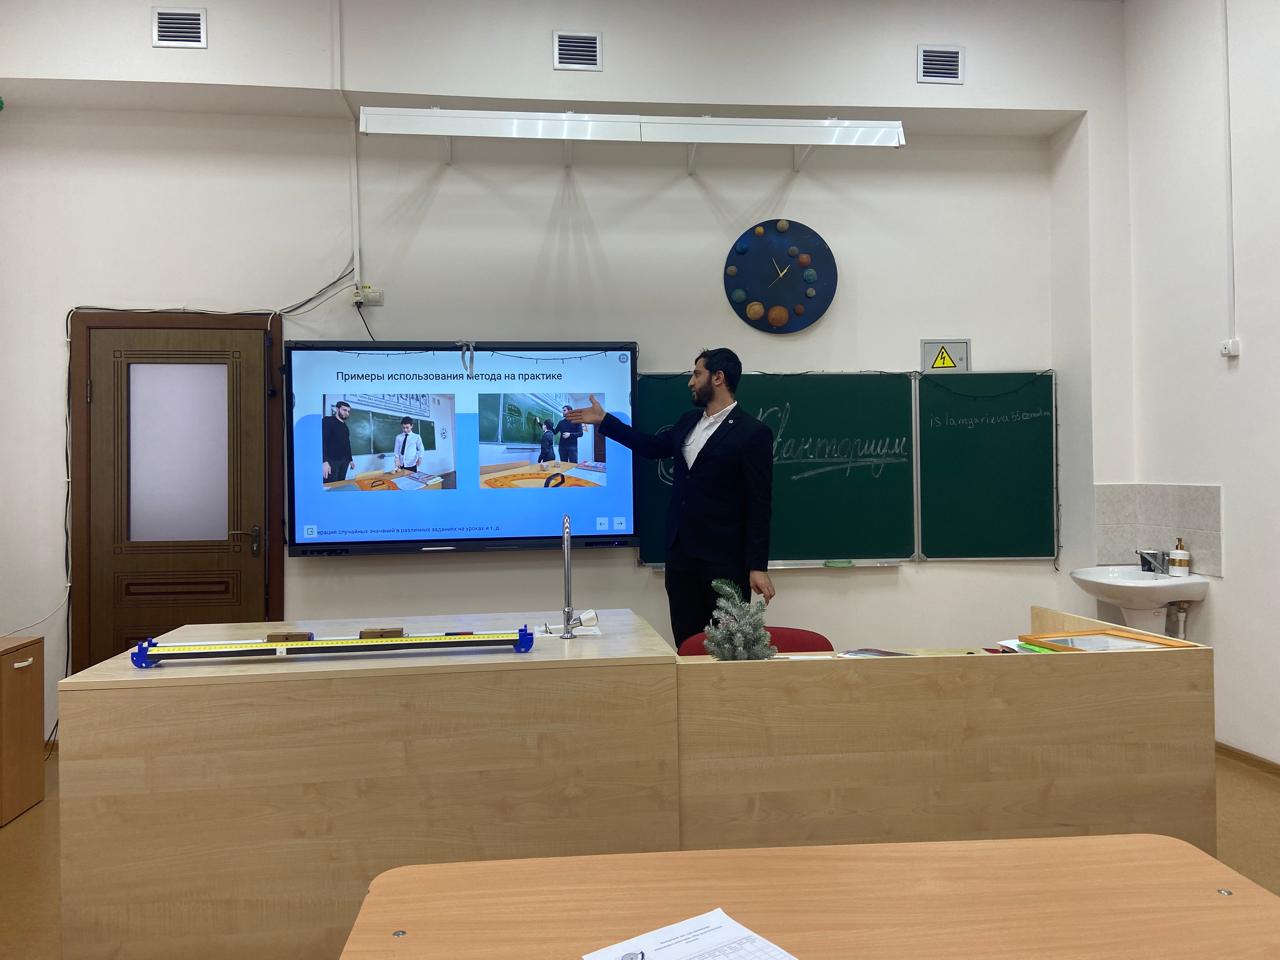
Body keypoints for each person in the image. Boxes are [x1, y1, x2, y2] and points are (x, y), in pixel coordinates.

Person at [568, 348, 775, 645]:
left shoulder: (753, 432)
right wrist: (605, 421)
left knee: (728, 647)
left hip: (725, 561)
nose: (691, 382)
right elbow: (652, 447)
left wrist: (757, 566)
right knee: (686, 642)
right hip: (681, 558)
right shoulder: (689, 421)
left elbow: (760, 503)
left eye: (697, 374)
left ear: (718, 378)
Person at [322, 400, 353, 484]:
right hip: (331, 461)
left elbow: (347, 444)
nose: (347, 413)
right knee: (330, 485)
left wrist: (350, 460)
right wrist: (324, 461)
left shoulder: (345, 426)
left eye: (348, 411)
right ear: (337, 409)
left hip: (344, 461)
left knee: (340, 484)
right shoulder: (327, 421)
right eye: (344, 410)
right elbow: (322, 441)